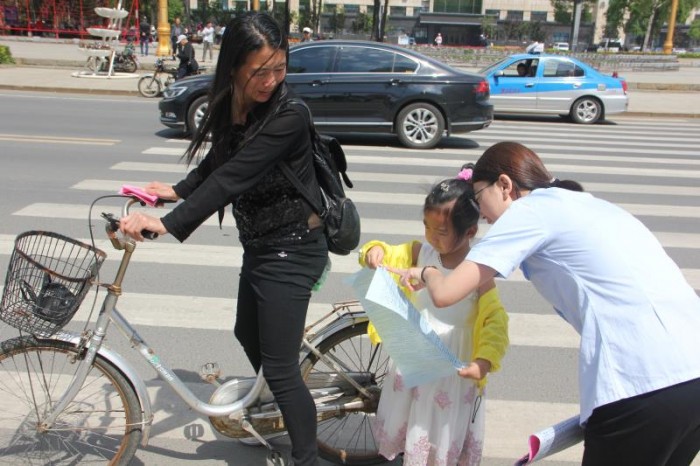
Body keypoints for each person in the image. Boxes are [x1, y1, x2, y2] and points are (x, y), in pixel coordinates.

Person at [393, 141, 700, 466]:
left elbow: (445, 293)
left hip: (642, 381)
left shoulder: (528, 213)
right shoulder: (584, 204)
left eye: (479, 197)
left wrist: (426, 272)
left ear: (504, 185)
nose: (481, 213)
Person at [118, 12, 327, 466]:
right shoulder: (236, 103)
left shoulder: (289, 114)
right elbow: (220, 160)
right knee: (245, 332)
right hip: (262, 243)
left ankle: (306, 457)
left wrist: (169, 223)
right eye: (260, 72)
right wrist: (176, 190)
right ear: (234, 66)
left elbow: (235, 176)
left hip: (294, 246)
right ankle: (276, 409)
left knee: (281, 370)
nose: (271, 81)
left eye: (279, 69)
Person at [359, 166, 509, 465]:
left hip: (451, 367)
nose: (431, 237)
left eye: (441, 232)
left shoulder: (477, 271)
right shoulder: (423, 252)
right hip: (415, 356)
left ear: (470, 232)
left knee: (439, 428)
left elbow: (495, 320)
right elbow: (386, 252)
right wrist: (374, 251)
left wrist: (484, 360)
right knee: (411, 417)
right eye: (427, 227)